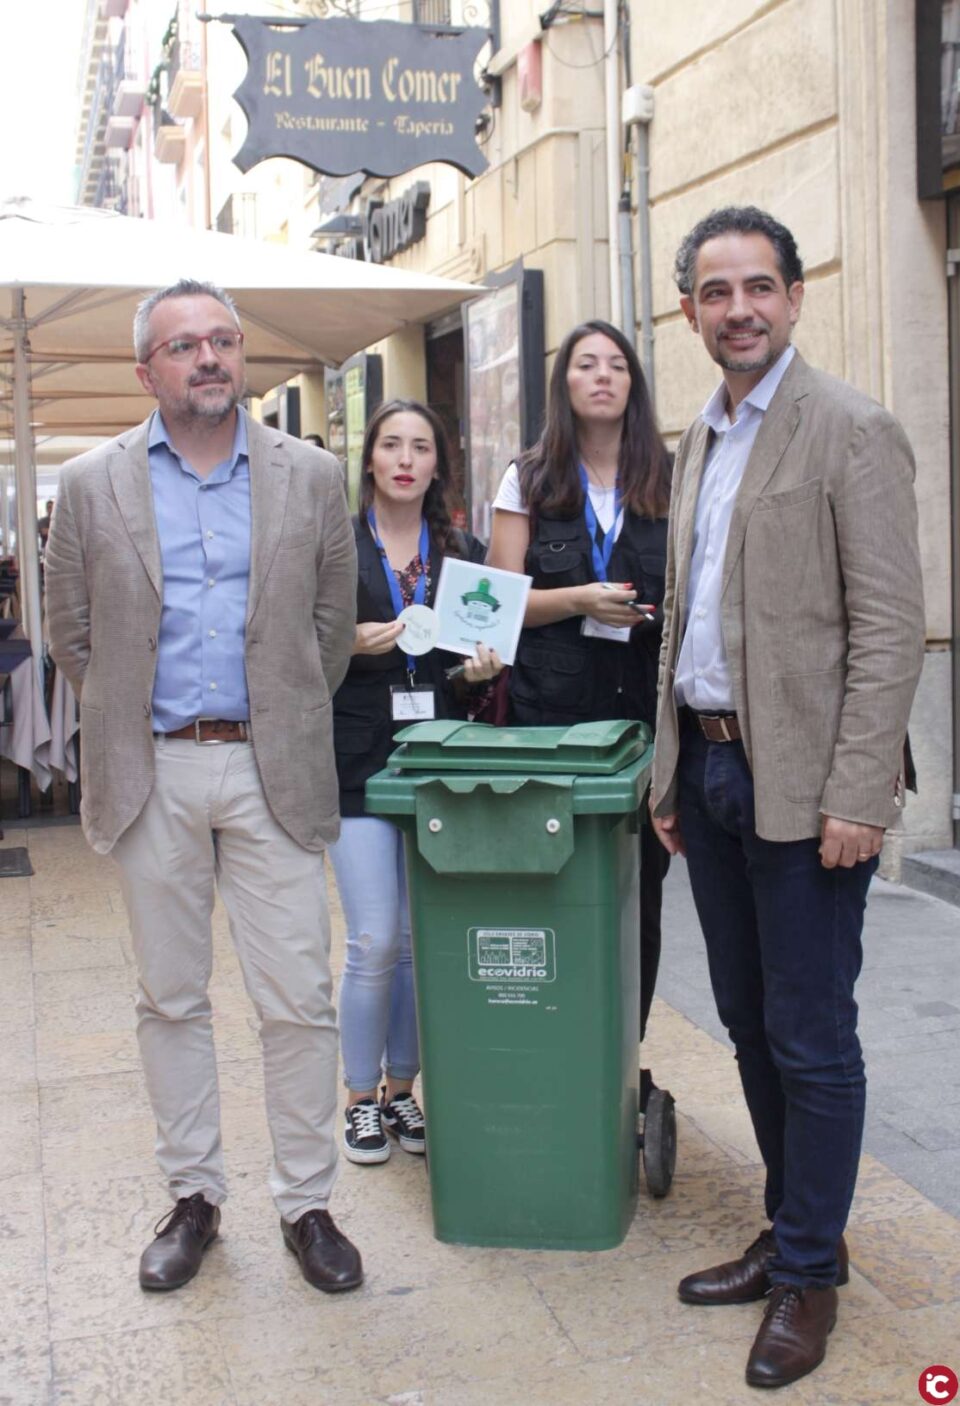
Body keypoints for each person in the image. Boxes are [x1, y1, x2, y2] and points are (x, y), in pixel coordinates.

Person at [45, 278, 364, 1296]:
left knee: (300, 997)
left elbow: (329, 632)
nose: (210, 358)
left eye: (223, 340)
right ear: (148, 370)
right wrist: (136, 717)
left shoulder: (310, 475)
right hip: (154, 767)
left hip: (273, 764)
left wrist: (277, 707)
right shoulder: (93, 484)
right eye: (184, 346)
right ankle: (194, 1196)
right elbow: (73, 635)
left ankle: (308, 1202)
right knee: (171, 996)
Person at [650, 208, 924, 1388]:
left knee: (812, 1036)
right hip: (709, 775)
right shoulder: (698, 437)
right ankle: (797, 1223)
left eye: (759, 285)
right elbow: (688, 618)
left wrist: (858, 789)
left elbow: (891, 628)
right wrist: (671, 770)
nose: (740, 308)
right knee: (749, 1021)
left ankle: (810, 1270)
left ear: (796, 297)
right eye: (716, 291)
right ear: (690, 312)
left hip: (809, 787)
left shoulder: (851, 428)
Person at [487, 319, 672, 1095]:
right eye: (585, 364)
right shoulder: (526, 478)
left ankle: (619, 1055)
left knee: (643, 892)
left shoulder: (672, 475)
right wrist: (577, 599)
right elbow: (495, 606)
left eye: (616, 365)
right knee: (555, 883)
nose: (602, 376)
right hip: (551, 724)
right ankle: (555, 1045)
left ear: (634, 383)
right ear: (563, 383)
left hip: (647, 722)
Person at [330, 398, 501, 1164]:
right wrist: (346, 646)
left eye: (421, 446)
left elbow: (459, 672)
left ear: (437, 463)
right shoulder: (337, 545)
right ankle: (359, 1098)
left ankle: (404, 1093)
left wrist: (474, 674)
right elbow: (295, 647)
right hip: (357, 762)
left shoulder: (459, 550)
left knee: (411, 945)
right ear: (369, 459)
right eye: (391, 444)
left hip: (435, 760)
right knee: (373, 938)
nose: (405, 459)